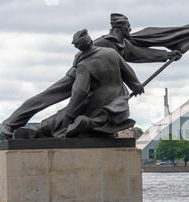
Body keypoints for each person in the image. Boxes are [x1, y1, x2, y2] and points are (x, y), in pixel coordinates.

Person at [0, 13, 181, 139]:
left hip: (95, 84)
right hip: (79, 74)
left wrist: (166, 55)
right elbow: (86, 54)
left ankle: (45, 129)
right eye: (127, 25)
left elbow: (141, 54)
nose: (130, 28)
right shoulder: (103, 42)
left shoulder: (121, 44)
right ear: (118, 27)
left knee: (78, 109)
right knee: (46, 97)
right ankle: (10, 123)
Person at [14, 29, 144, 139]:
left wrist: (69, 115)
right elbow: (128, 71)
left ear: (78, 48)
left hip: (96, 100)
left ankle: (39, 129)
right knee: (102, 119)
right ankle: (86, 123)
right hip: (118, 99)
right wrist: (136, 85)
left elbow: (80, 92)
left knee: (63, 114)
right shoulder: (111, 53)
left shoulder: (84, 65)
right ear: (91, 40)